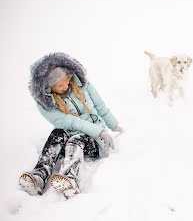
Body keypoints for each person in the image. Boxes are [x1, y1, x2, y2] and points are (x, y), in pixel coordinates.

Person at [19, 52, 123, 199]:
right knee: (57, 133)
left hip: (94, 138)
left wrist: (113, 126)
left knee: (77, 139)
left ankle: (70, 179)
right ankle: (39, 176)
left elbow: (100, 106)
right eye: (60, 85)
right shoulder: (46, 105)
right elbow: (71, 122)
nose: (65, 86)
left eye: (66, 80)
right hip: (72, 137)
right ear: (49, 88)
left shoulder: (83, 86)